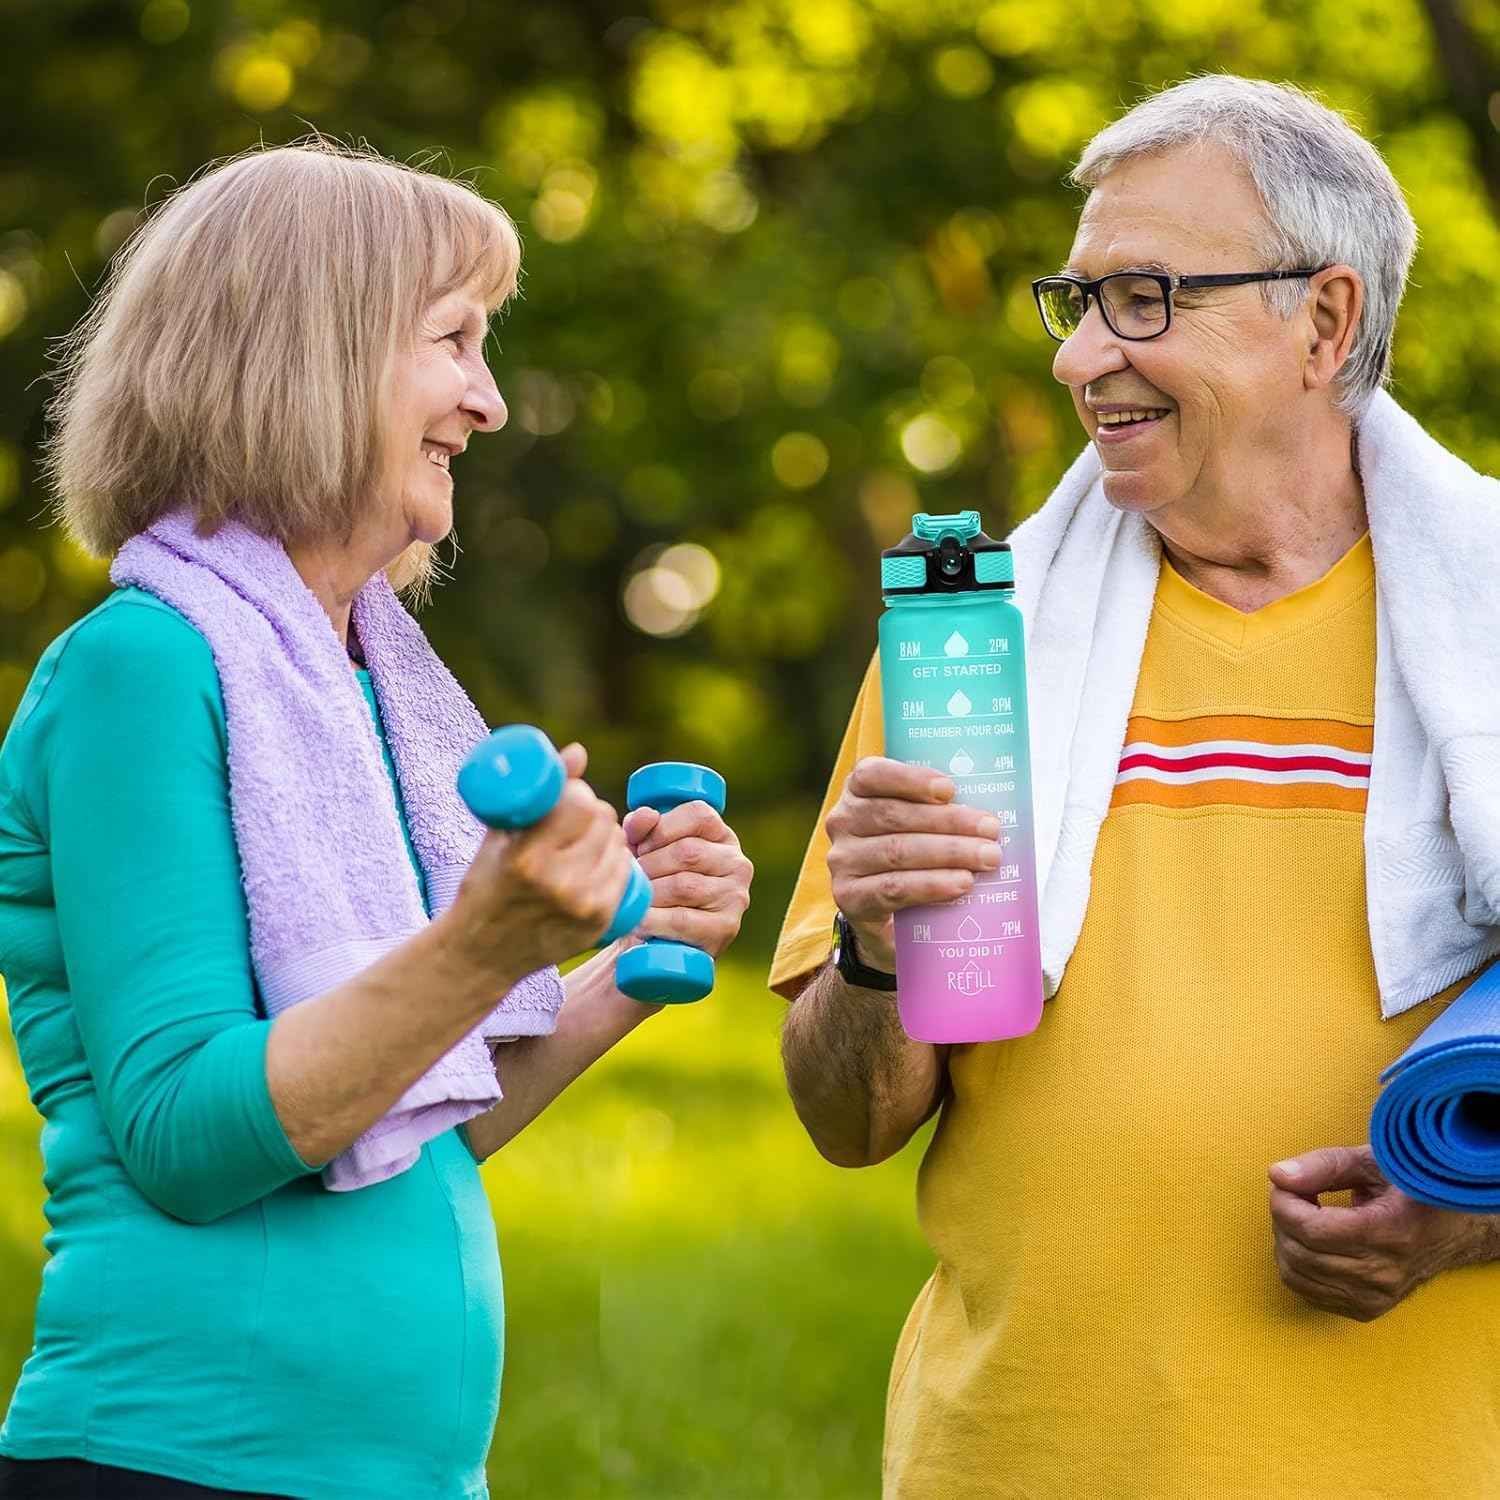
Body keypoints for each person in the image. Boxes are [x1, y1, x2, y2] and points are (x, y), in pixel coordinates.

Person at [774, 75, 1500, 1498]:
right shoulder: (971, 647)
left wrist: (1467, 1222)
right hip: (1018, 1462)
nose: (1080, 357)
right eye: (1078, 302)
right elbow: (845, 1125)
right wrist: (874, 948)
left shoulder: (1488, 631)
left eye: (1145, 298)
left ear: (1325, 321)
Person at [0, 141, 752, 1500]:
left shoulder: (353, 690)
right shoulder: (143, 668)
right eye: (454, 341)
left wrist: (620, 968)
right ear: (310, 356)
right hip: (177, 1463)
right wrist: (484, 941)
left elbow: (404, 1119)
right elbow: (188, 1134)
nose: (490, 401)